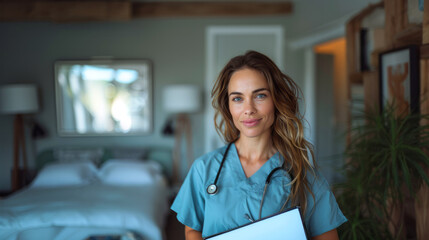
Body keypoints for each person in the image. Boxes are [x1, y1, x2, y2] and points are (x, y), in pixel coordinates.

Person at [171, 50, 347, 240]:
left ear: (276, 101)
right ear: (228, 106)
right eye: (238, 98)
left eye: (260, 96)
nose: (248, 109)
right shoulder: (204, 169)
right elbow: (192, 230)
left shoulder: (302, 175)